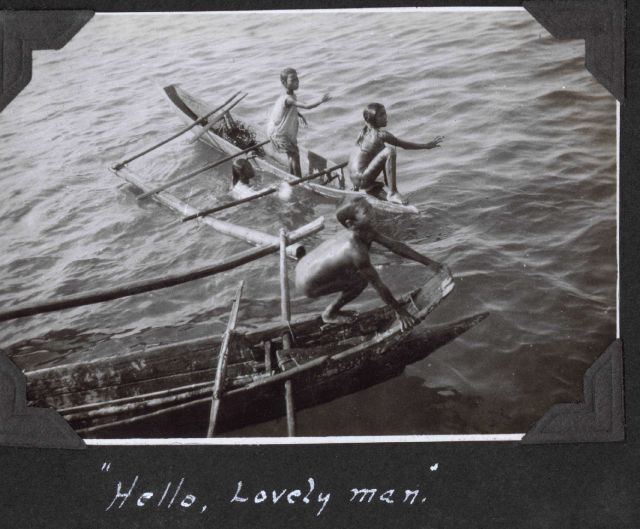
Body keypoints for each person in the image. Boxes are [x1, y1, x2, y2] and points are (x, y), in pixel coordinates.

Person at [295, 196, 446, 330]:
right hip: (307, 285)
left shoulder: (364, 229)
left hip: (303, 267)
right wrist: (401, 312)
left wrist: (429, 262)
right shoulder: (356, 251)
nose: (373, 212)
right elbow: (378, 285)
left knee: (356, 274)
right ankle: (330, 313)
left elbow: (395, 246)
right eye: (366, 212)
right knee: (361, 282)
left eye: (370, 207)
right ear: (351, 224)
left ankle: (332, 307)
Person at [349, 103, 444, 205]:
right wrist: (426, 146)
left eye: (385, 113)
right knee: (389, 151)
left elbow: (360, 157)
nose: (386, 117)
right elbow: (404, 145)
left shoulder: (363, 132)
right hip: (362, 180)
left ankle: (378, 190)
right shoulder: (380, 135)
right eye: (381, 115)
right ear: (372, 119)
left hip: (355, 180)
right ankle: (393, 193)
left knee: (382, 150)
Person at [267, 67, 331, 177]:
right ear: (284, 83)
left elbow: (287, 110)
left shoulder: (290, 95)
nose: (297, 82)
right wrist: (321, 100)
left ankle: (293, 177)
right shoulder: (288, 98)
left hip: (279, 131)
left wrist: (298, 114)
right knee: (295, 154)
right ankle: (298, 179)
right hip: (278, 133)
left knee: (292, 154)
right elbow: (306, 106)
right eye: (293, 80)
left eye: (297, 78)